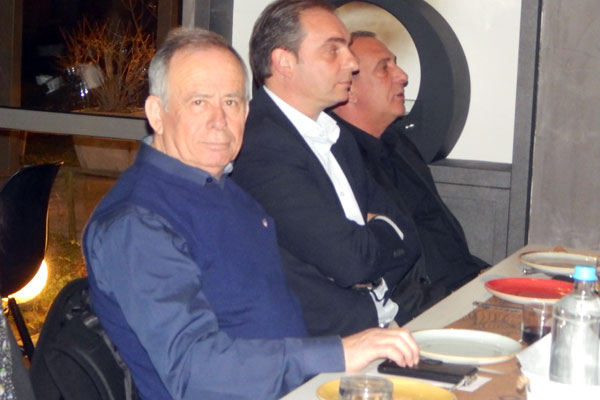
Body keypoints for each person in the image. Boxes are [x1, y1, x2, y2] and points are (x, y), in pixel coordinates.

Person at [83, 27, 419, 400]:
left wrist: (359, 343)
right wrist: (339, 353)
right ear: (156, 114)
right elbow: (195, 369)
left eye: (231, 102)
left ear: (246, 111)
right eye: (198, 102)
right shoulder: (138, 222)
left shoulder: (225, 190)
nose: (219, 120)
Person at [232, 0, 421, 337]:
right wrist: (376, 234)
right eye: (333, 50)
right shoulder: (261, 145)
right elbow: (353, 262)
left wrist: (371, 242)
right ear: (284, 62)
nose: (351, 62)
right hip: (326, 344)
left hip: (383, 321)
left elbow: (408, 236)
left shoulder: (336, 135)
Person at [331, 31, 488, 299]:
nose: (402, 76)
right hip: (427, 305)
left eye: (396, 63)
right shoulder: (337, 159)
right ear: (349, 88)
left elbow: (443, 239)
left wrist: (490, 279)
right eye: (384, 68)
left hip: (466, 284)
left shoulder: (399, 143)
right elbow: (383, 279)